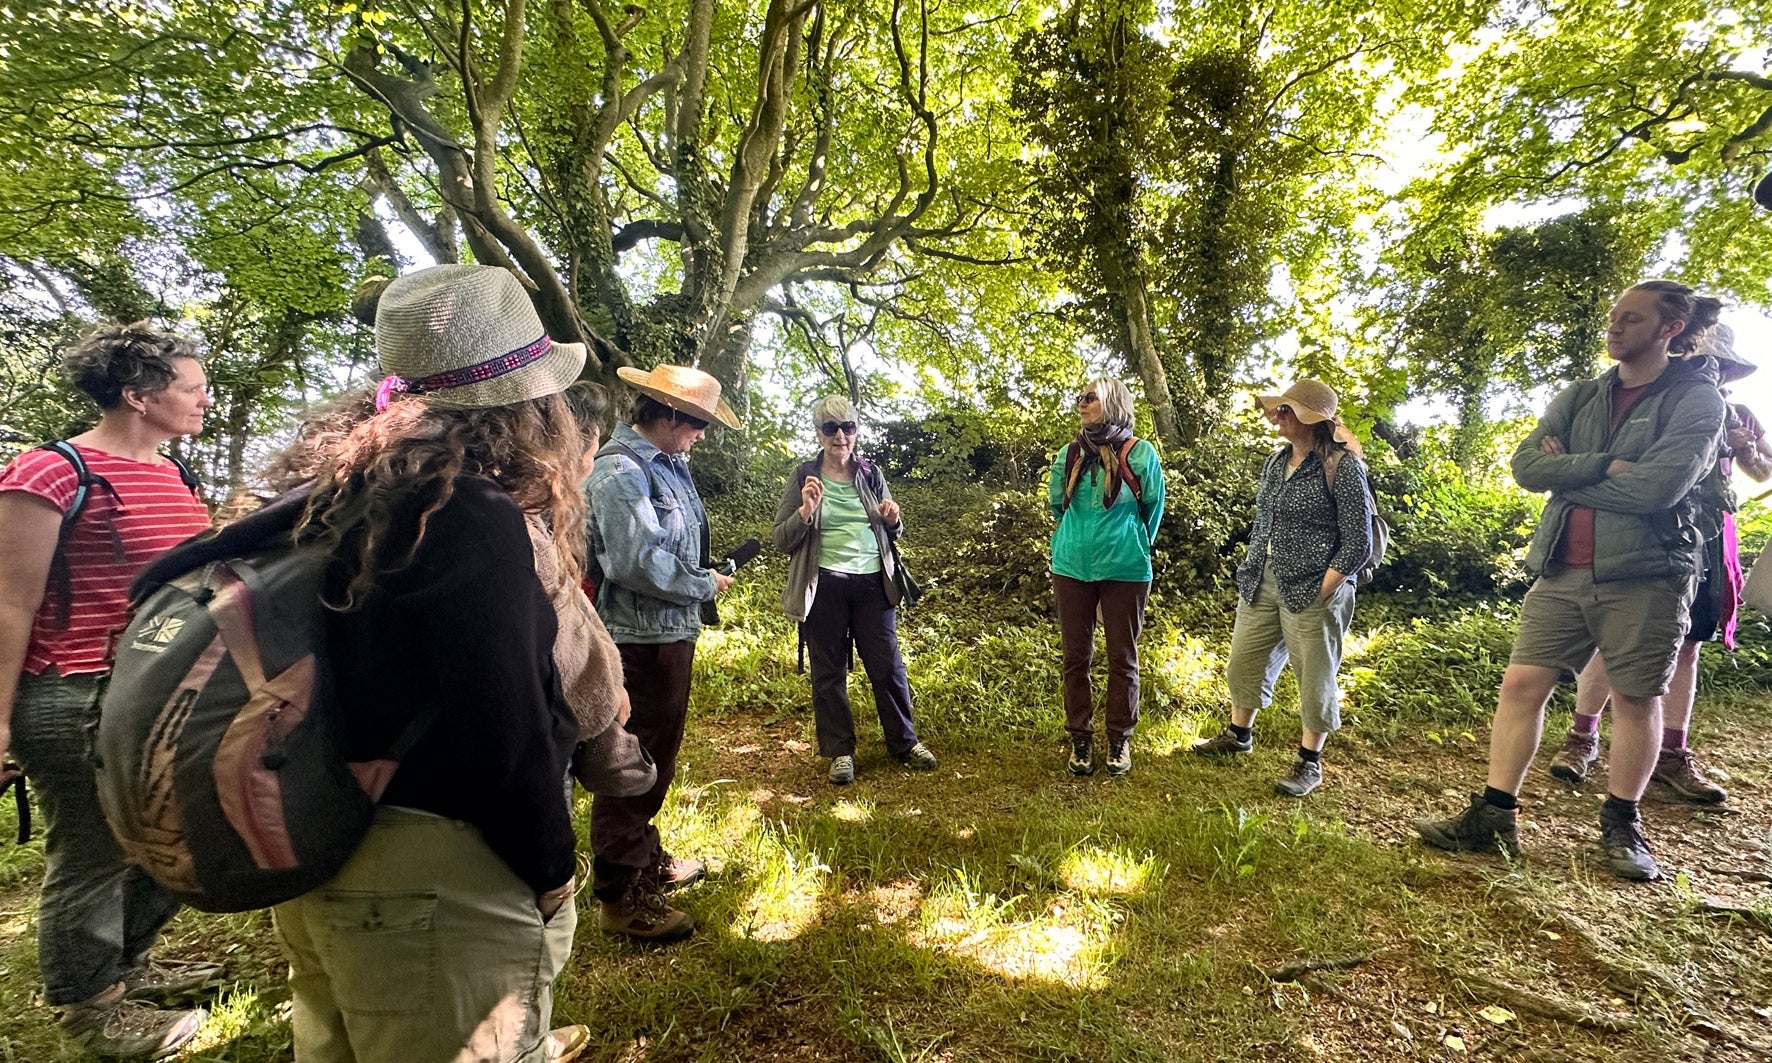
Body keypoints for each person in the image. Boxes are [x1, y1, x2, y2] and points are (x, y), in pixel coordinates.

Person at [150, 263, 594, 1062]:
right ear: (530, 402)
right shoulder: (464, 513)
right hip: (437, 872)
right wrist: (550, 865)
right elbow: (505, 726)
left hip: (325, 844)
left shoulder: (334, 491)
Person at [1416, 280, 1726, 882]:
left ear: (1669, 330)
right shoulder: (1581, 394)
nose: (1615, 328)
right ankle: (1494, 815)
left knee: (1636, 699)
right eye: (1613, 316)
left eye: (1631, 320)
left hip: (1647, 573)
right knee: (1521, 683)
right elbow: (1526, 466)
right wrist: (1603, 466)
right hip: (1562, 565)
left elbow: (1658, 488)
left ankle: (1622, 823)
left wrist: (1567, 472)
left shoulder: (1697, 401)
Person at [0, 323, 220, 1057]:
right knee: (95, 851)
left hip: (159, 690)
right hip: (72, 694)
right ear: (138, 395)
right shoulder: (51, 473)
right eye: (191, 387)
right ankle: (88, 1007)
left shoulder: (176, 473)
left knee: (175, 835)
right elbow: (9, 603)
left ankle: (126, 966)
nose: (203, 398)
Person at [1550, 317, 1764, 804]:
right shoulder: (1648, 405)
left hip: (1710, 538)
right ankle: (1582, 738)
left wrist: (1746, 450)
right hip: (1643, 529)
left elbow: (1761, 469)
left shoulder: (1739, 413)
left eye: (1721, 366)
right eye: (1701, 360)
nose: (1711, 371)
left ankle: (1672, 753)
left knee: (1689, 642)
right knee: (1614, 635)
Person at [585, 364, 740, 941]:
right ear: (669, 415)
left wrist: (698, 577)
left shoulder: (668, 466)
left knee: (659, 753)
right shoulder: (621, 474)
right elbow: (635, 563)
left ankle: (645, 857)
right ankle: (622, 897)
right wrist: (703, 584)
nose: (701, 436)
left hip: (668, 632)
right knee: (635, 759)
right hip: (638, 639)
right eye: (697, 424)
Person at [1193, 380, 1372, 798]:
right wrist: (1251, 566)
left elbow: (1358, 542)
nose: (1278, 416)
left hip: (1314, 585)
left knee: (1314, 676)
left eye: (1287, 411)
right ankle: (1239, 734)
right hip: (1262, 579)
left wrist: (1325, 588)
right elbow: (1264, 520)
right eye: (1279, 409)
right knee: (1243, 662)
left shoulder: (1343, 467)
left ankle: (1310, 762)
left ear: (1312, 421)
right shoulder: (1276, 462)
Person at [771, 395, 937, 786]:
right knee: (828, 672)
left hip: (872, 583)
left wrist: (893, 521)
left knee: (888, 665)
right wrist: (805, 511)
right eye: (830, 428)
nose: (840, 436)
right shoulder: (803, 477)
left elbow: (893, 528)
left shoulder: (870, 472)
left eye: (847, 427)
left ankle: (904, 742)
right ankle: (840, 751)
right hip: (823, 583)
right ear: (818, 433)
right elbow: (781, 538)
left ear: (856, 432)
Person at [1049, 378, 1165, 778]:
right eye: (1079, 397)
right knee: (1074, 658)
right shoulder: (1068, 455)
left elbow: (1153, 508)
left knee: (1122, 657)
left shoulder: (1141, 453)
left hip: (1126, 569)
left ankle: (1119, 739)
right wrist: (1079, 541)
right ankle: (1080, 738)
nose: (1081, 403)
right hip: (1071, 568)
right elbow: (1057, 507)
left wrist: (1132, 543)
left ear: (1112, 403)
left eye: (1090, 398)